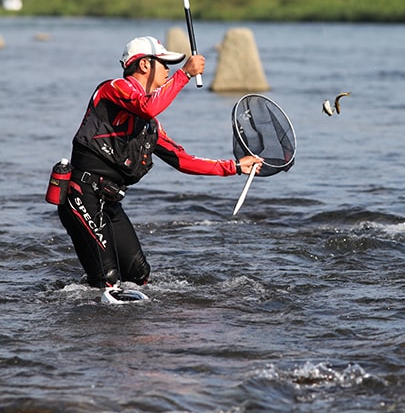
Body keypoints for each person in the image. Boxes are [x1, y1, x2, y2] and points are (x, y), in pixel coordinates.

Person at [57, 36, 263, 288]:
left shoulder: (150, 127)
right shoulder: (113, 88)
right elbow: (148, 106)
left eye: (171, 66)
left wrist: (234, 166)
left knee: (139, 275)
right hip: (81, 196)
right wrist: (185, 74)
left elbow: (182, 160)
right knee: (107, 281)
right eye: (164, 64)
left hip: (109, 202)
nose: (169, 70)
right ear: (144, 65)